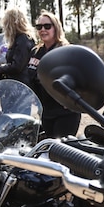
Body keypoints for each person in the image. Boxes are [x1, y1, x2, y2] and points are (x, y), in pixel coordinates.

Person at [24, 10, 81, 138]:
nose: (43, 30)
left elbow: (78, 79)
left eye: (47, 26)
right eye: (39, 27)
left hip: (64, 113)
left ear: (56, 28)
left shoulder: (67, 51)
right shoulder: (36, 51)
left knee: (61, 152)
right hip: (45, 112)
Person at [0, 8, 35, 84]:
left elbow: (17, 66)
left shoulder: (22, 39)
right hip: (17, 83)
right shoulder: (19, 39)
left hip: (21, 84)